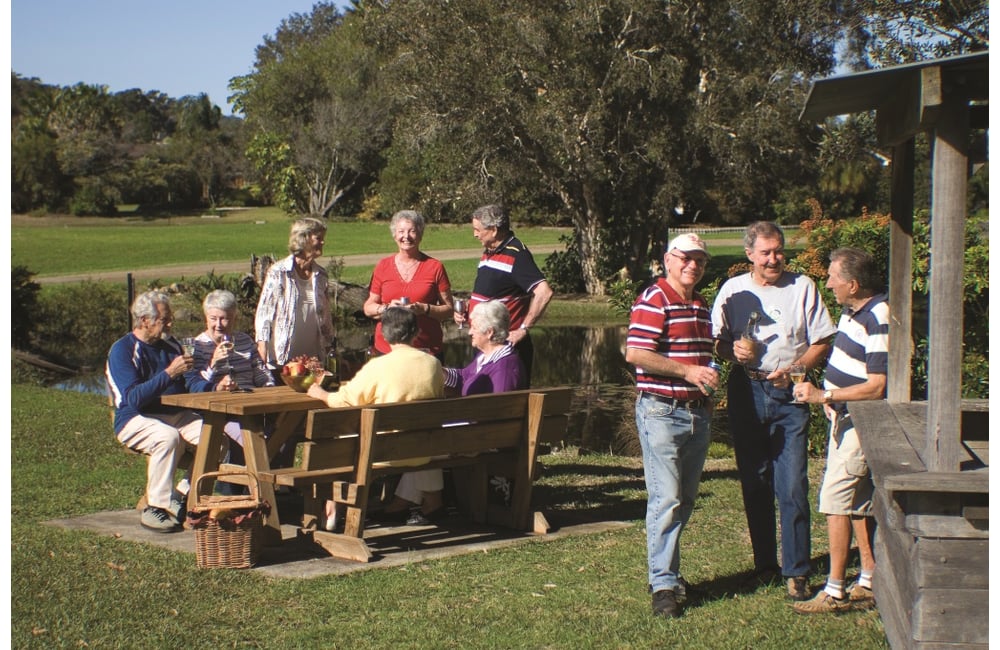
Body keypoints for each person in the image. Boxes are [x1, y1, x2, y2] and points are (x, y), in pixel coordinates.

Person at [711, 221, 837, 601]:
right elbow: (715, 342)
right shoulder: (732, 290)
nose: (774, 259)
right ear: (749, 254)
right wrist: (731, 351)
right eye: (765, 253)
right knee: (755, 480)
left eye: (778, 250)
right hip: (745, 389)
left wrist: (798, 368)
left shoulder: (802, 287)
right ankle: (764, 565)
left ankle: (796, 571)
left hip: (789, 393)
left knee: (793, 483)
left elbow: (823, 339)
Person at [624, 233, 720, 618]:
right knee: (667, 498)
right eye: (686, 258)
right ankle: (663, 584)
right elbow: (637, 353)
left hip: (697, 412)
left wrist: (706, 377)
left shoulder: (697, 304)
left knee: (686, 497)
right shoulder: (655, 299)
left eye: (699, 260)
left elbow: (702, 356)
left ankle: (669, 572)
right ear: (668, 260)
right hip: (661, 411)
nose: (692, 266)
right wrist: (687, 371)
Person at [792, 248, 887, 614]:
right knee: (859, 504)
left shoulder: (878, 315)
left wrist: (824, 394)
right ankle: (868, 578)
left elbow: (878, 385)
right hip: (844, 417)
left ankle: (834, 590)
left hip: (861, 424)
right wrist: (833, 398)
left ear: (853, 283)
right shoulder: (853, 312)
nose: (827, 283)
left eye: (833, 277)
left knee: (835, 503)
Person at [307, 307, 445, 528]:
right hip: (424, 450)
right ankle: (426, 502)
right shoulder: (433, 364)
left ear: (384, 334)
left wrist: (320, 393)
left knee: (339, 440)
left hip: (383, 452)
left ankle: (333, 506)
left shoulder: (378, 367)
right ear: (416, 332)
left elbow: (344, 400)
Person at [105, 290, 201, 533]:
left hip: (174, 414)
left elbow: (189, 383)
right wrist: (169, 373)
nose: (170, 323)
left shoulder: (170, 344)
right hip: (135, 418)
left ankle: (180, 495)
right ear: (144, 320)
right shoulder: (123, 350)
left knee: (217, 437)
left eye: (169, 318)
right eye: (164, 319)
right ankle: (155, 507)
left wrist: (212, 385)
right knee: (167, 437)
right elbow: (133, 398)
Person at [186, 290, 275, 494]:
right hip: (219, 412)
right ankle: (242, 493)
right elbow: (194, 387)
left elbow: (260, 371)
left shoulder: (243, 341)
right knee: (255, 442)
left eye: (224, 319)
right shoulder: (196, 347)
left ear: (234, 318)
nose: (218, 325)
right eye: (213, 319)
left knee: (283, 430)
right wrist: (214, 364)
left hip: (252, 405)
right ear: (205, 318)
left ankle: (252, 492)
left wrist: (268, 389)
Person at [456, 204, 553, 383]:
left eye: (478, 229)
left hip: (506, 350)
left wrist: (523, 330)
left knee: (506, 402)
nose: (475, 234)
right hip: (485, 345)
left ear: (493, 230)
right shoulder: (490, 252)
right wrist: (468, 311)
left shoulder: (517, 255)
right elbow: (493, 294)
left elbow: (544, 292)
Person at [362, 210, 455, 357]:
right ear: (394, 235)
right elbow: (368, 307)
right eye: (401, 231)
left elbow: (449, 310)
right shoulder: (383, 266)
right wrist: (386, 308)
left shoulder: (435, 267)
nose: (406, 236)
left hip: (426, 350)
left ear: (420, 234)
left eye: (412, 231)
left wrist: (424, 309)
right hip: (387, 350)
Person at [254, 216, 335, 373]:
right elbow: (264, 314)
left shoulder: (321, 275)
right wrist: (262, 346)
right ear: (303, 239)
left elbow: (326, 318)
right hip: (282, 359)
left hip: (312, 360)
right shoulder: (279, 272)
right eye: (318, 238)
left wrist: (331, 347)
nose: (323, 242)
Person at [442, 300, 526, 396]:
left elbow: (502, 407)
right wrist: (437, 370)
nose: (470, 332)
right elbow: (464, 376)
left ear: (489, 332)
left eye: (474, 328)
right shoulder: (485, 356)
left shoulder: (505, 369)